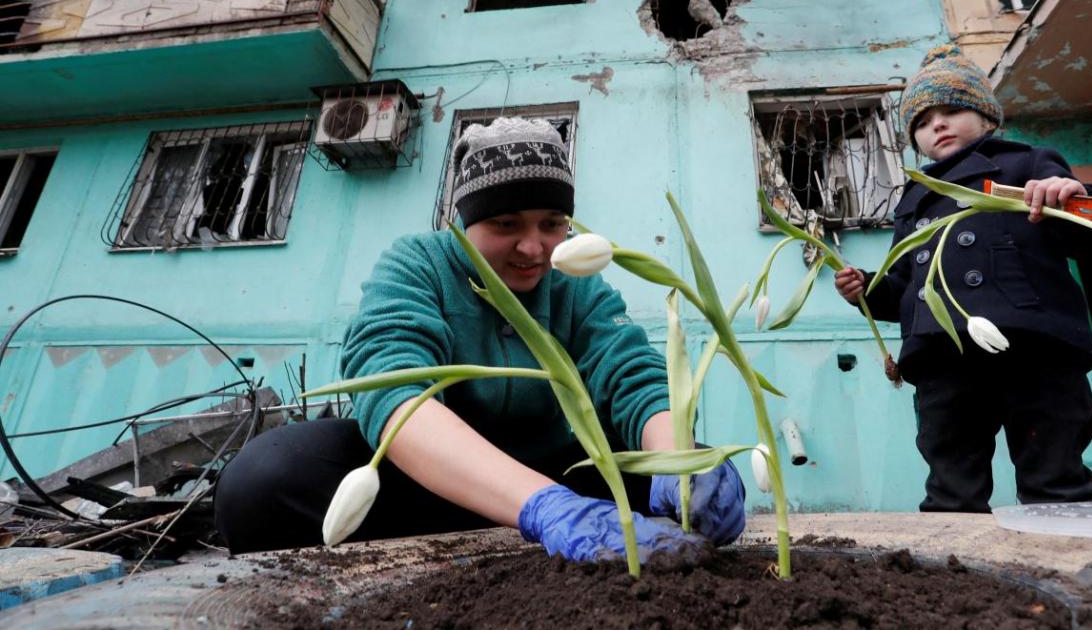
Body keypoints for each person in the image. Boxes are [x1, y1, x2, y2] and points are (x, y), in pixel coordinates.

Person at [215, 117, 745, 558]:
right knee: (264, 480)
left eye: (552, 223)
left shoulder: (574, 282)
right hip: (433, 482)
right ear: (463, 221)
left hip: (564, 475)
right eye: (506, 224)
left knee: (688, 472)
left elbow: (630, 373)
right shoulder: (418, 264)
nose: (534, 249)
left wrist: (678, 459)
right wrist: (544, 506)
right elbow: (393, 392)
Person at [833, 44, 1092, 513]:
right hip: (943, 358)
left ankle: (1073, 560)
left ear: (987, 117)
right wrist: (865, 290)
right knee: (951, 476)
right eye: (922, 121)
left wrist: (1071, 195)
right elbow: (907, 287)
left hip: (1034, 347)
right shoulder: (914, 198)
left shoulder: (1029, 164)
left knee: (1054, 469)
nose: (938, 125)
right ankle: (955, 567)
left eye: (952, 110)